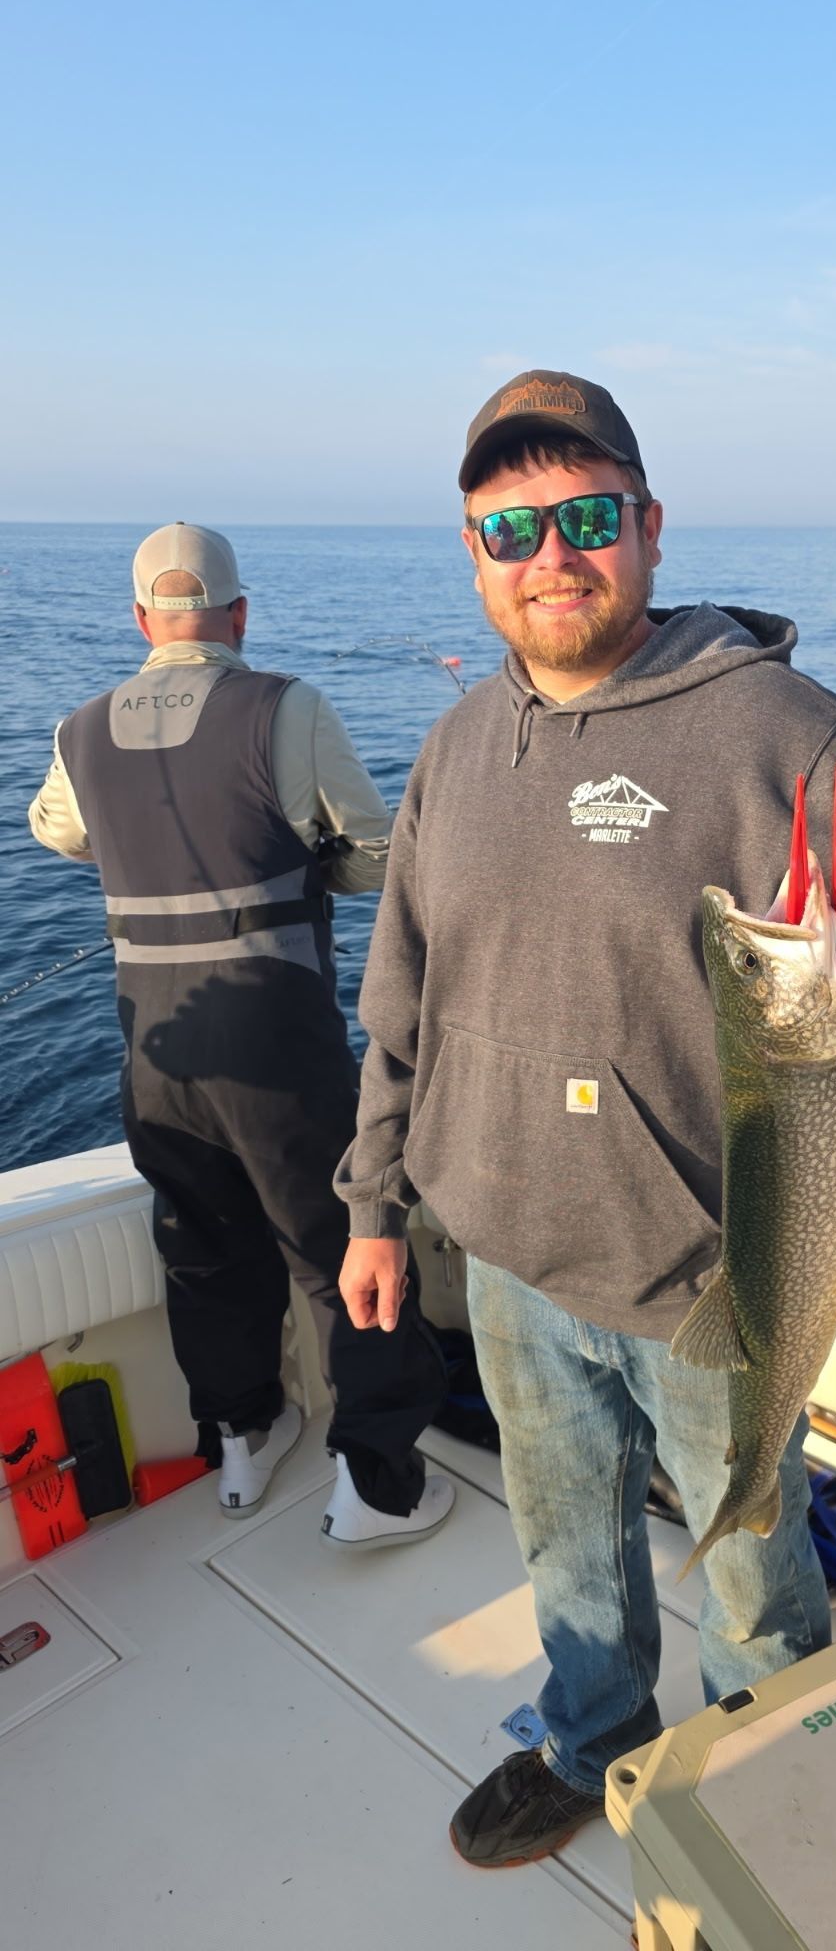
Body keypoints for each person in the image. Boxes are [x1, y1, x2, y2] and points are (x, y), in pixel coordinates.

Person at [335, 372, 836, 1865]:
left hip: (713, 1269)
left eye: (585, 516)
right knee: (564, 1543)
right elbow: (401, 993)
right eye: (507, 530)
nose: (549, 555)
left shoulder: (781, 723)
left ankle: (762, 1767)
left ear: (648, 529)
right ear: (472, 558)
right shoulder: (458, 747)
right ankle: (591, 1743)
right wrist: (375, 1205)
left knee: (752, 1565)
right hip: (508, 1260)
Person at [29, 522, 454, 1549]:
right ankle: (378, 1482)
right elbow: (373, 854)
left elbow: (60, 829)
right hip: (276, 1037)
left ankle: (244, 1441)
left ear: (140, 620)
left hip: (157, 1051)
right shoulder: (285, 704)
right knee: (337, 1244)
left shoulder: (79, 727)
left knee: (202, 1248)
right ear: (239, 612)